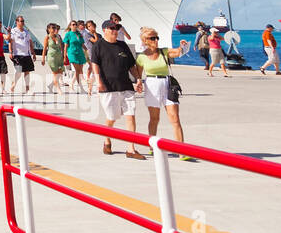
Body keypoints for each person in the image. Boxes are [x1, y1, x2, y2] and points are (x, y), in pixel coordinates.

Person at [89, 19, 147, 158]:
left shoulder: (122, 45)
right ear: (104, 30)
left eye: (117, 28)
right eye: (112, 28)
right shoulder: (99, 45)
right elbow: (94, 64)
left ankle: (131, 149)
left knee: (130, 116)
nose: (115, 31)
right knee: (112, 117)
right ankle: (107, 139)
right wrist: (98, 81)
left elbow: (131, 66)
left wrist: (138, 79)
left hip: (126, 86)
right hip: (108, 87)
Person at [134, 29, 195, 161]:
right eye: (152, 38)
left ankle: (181, 150)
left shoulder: (164, 51)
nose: (156, 40)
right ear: (145, 41)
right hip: (151, 85)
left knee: (175, 118)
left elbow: (179, 52)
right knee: (154, 118)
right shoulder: (142, 57)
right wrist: (138, 83)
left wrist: (183, 45)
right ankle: (152, 147)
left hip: (167, 85)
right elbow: (138, 74)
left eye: (157, 38)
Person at [8, 15, 36, 95]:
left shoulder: (26, 32)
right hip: (17, 54)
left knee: (27, 72)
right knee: (18, 72)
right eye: (21, 21)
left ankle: (27, 89)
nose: (22, 23)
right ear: (17, 22)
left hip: (26, 55)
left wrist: (33, 53)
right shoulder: (13, 31)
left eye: (23, 21)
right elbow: (10, 41)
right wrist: (10, 52)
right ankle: (13, 86)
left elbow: (30, 42)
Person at [63, 20, 88, 93]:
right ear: (70, 26)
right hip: (72, 53)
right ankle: (81, 88)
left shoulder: (79, 34)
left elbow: (82, 44)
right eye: (73, 24)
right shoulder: (68, 34)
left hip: (80, 52)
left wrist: (87, 51)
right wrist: (65, 56)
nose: (74, 26)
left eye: (75, 24)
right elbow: (65, 46)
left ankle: (71, 83)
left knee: (79, 71)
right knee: (77, 70)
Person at [43, 22, 66, 94]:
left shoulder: (58, 36)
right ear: (49, 29)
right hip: (51, 57)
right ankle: (58, 89)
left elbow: (61, 46)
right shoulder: (47, 37)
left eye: (55, 27)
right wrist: (43, 58)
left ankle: (51, 85)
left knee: (61, 71)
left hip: (59, 56)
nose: (54, 29)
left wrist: (64, 56)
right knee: (55, 73)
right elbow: (44, 48)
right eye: (53, 28)